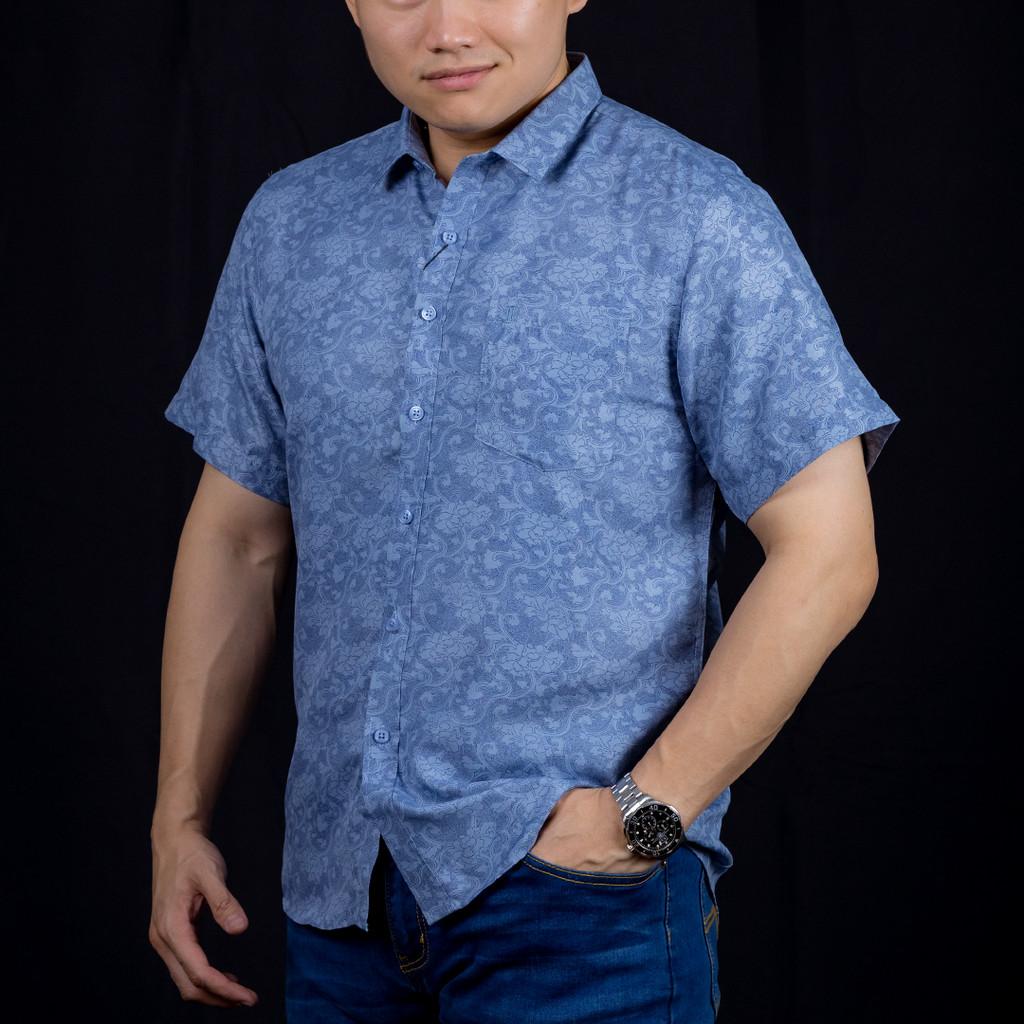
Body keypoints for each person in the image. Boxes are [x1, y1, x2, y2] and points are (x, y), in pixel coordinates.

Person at [149, 2, 901, 1021]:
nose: (448, 28)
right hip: (340, 905)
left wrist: (645, 815)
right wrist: (179, 817)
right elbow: (238, 541)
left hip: (585, 915)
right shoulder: (291, 223)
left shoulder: (694, 212)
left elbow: (829, 547)